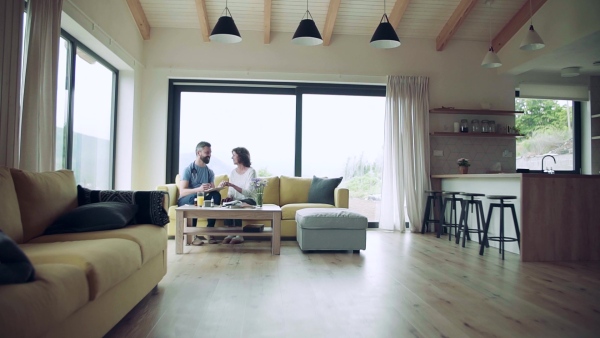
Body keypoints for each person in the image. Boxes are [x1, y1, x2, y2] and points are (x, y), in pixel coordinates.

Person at [178, 141, 222, 245]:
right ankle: (193, 235)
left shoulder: (209, 172)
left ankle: (209, 231)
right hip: (186, 199)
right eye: (207, 152)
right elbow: (182, 191)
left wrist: (214, 189)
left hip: (202, 197)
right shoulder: (188, 170)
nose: (209, 155)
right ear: (199, 153)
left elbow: (212, 189)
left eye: (210, 152)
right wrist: (199, 189)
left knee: (216, 195)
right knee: (196, 197)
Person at [218, 147, 256, 244]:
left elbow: (248, 193)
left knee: (237, 204)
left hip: (249, 200)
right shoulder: (233, 172)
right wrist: (228, 197)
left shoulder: (251, 172)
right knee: (228, 204)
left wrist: (232, 185)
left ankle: (239, 235)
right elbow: (230, 191)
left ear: (241, 156)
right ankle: (230, 233)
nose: (232, 157)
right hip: (236, 200)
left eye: (234, 155)